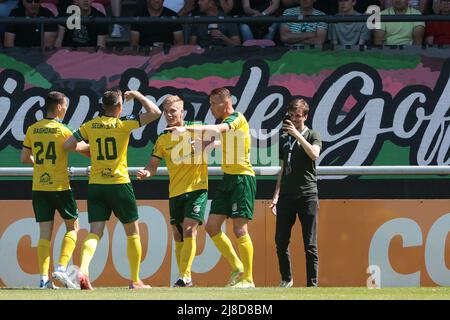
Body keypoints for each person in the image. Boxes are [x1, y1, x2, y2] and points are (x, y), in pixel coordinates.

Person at [64, 89, 161, 290]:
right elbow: (155, 112)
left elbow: (68, 145)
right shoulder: (122, 123)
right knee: (132, 232)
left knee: (95, 232)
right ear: (119, 107)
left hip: (97, 185)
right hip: (119, 184)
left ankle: (83, 269)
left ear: (103, 106)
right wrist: (137, 95)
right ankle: (135, 280)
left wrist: (93, 152)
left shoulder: (90, 126)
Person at [168, 88, 256, 288]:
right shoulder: (223, 124)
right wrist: (191, 146)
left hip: (242, 178)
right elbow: (211, 142)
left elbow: (218, 132)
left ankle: (249, 279)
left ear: (225, 103)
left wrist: (187, 130)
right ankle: (238, 267)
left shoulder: (237, 119)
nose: (211, 109)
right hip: (228, 179)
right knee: (212, 227)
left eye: (213, 104)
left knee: (240, 229)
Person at [137, 95, 215, 287]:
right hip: (175, 192)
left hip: (197, 188)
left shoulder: (196, 128)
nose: (169, 115)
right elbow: (153, 164)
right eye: (166, 111)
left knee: (189, 230)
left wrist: (199, 145)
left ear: (182, 112)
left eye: (173, 111)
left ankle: (185, 276)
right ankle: (184, 278)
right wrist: (147, 172)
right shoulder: (163, 138)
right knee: (178, 234)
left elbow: (217, 141)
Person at [21, 91, 89, 289]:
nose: (67, 108)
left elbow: (24, 158)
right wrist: (94, 147)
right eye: (65, 105)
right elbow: (80, 147)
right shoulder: (62, 130)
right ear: (58, 107)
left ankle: (43, 279)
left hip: (39, 188)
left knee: (44, 234)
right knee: (73, 227)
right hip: (60, 186)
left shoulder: (33, 129)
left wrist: (41, 167)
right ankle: (60, 267)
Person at [270, 98, 322, 288]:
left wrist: (297, 135)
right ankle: (286, 279)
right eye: (291, 116)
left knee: (309, 243)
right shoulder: (284, 138)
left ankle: (312, 285)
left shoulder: (313, 135)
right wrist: (276, 194)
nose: (294, 120)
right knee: (281, 240)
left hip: (307, 194)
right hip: (286, 196)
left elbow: (314, 154)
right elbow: (283, 168)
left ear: (305, 117)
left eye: (298, 117)